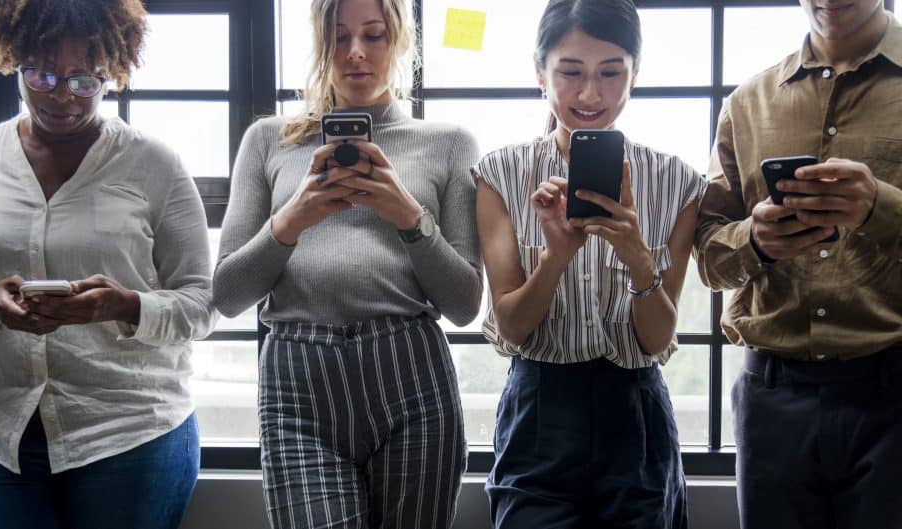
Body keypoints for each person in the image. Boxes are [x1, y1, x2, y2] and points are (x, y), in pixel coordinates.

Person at [0, 1, 217, 527]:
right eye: (42, 74)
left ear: (112, 69)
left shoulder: (154, 164)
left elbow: (202, 302)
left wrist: (124, 306)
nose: (63, 94)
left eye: (84, 79)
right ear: (13, 58)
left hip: (130, 433)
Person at [211, 0, 481, 526]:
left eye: (374, 36)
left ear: (401, 43)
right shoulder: (268, 140)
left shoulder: (449, 144)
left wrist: (409, 216)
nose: (355, 53)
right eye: (338, 37)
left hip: (411, 376)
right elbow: (226, 293)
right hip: (298, 384)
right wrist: (291, 220)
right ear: (319, 43)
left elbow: (465, 304)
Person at [473, 0, 704, 527]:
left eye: (610, 73)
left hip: (636, 408)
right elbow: (510, 327)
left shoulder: (679, 183)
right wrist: (555, 259)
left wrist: (638, 260)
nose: (589, 94)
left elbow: (658, 340)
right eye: (570, 72)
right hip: (539, 403)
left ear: (635, 75)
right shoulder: (501, 173)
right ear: (540, 72)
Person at [694, 1, 902, 527]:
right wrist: (754, 239)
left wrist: (881, 208)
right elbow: (709, 258)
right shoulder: (747, 102)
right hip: (771, 399)